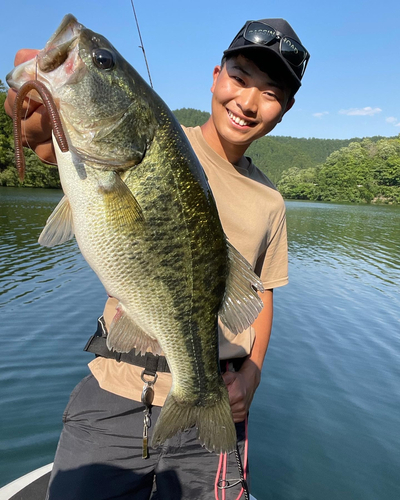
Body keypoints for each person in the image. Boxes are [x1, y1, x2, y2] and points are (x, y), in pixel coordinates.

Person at [4, 18, 309, 499]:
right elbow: (44, 138)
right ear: (216, 75)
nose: (248, 101)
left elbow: (260, 293)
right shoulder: (158, 137)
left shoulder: (270, 201)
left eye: (270, 93)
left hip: (212, 395)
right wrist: (40, 100)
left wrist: (252, 375)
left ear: (285, 109)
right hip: (115, 387)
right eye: (240, 77)